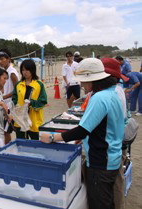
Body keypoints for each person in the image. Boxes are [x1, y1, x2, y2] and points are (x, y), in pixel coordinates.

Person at [40, 58, 125, 209]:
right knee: (108, 200)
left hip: (101, 162)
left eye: (84, 81)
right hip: (112, 156)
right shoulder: (113, 92)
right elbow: (101, 127)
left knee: (100, 203)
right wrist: (83, 137)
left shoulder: (99, 97)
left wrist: (53, 137)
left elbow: (82, 129)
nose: (82, 85)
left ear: (93, 80)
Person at [101, 58, 129, 209]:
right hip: (117, 140)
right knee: (117, 181)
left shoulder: (111, 93)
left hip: (113, 143)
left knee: (116, 182)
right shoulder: (118, 89)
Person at [12, 59, 47, 139]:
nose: (25, 72)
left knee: (35, 145)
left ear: (32, 70)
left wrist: (31, 103)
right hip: (20, 120)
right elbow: (14, 99)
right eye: (23, 70)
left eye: (27, 69)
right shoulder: (18, 84)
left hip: (34, 120)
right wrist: (15, 106)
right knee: (22, 144)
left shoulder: (39, 85)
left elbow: (43, 101)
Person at [0, 48, 19, 144]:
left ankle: (6, 150)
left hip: (11, 105)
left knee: (6, 131)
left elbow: (17, 90)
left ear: (9, 59)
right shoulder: (5, 72)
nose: (0, 61)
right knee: (8, 130)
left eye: (2, 59)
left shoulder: (12, 72)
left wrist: (3, 97)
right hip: (6, 105)